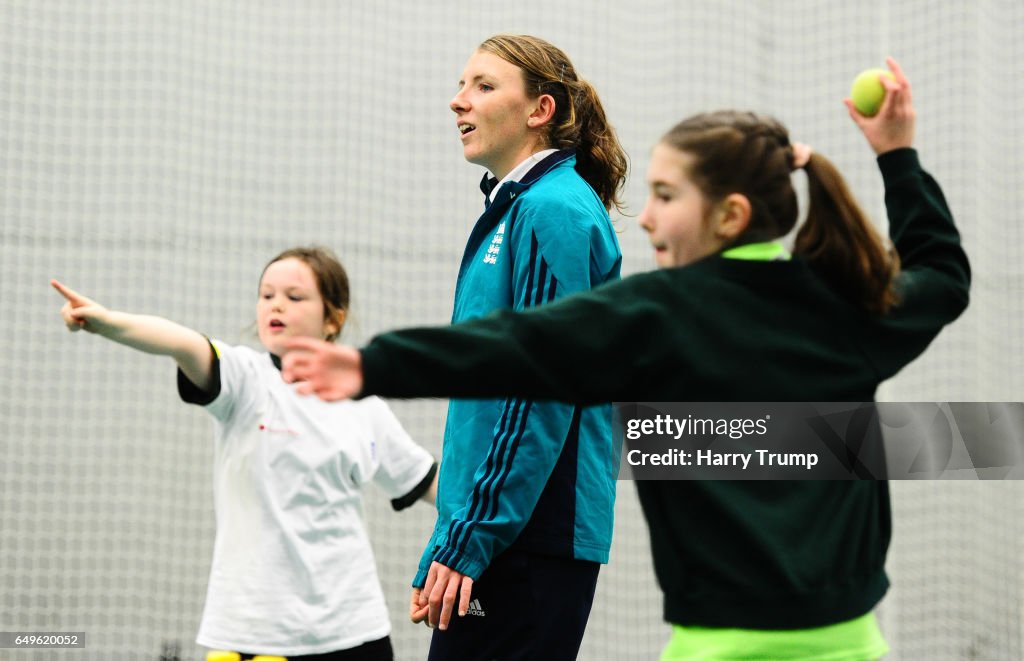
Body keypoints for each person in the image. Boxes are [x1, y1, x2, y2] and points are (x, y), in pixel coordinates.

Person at [282, 58, 971, 660]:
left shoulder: (659, 311)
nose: (642, 217)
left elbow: (521, 348)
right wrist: (897, 156)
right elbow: (942, 275)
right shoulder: (848, 309)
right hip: (849, 644)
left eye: (666, 197)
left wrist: (376, 364)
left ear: (728, 215)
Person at [53, 246, 438, 661]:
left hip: (352, 629)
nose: (276, 305)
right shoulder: (245, 381)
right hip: (252, 632)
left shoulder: (364, 404)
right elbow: (183, 343)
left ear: (333, 318)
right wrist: (109, 323)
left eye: (294, 296)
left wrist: (497, 521)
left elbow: (430, 482)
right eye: (267, 294)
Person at [402, 33, 627, 661]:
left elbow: (537, 393)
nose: (457, 101)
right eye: (460, 84)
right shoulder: (517, 209)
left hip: (529, 538)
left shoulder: (553, 210)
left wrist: (470, 540)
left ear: (540, 110)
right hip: (501, 534)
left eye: (482, 85)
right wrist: (449, 536)